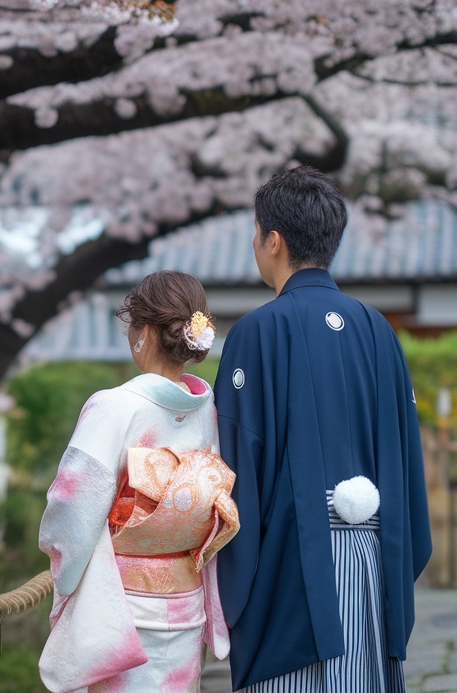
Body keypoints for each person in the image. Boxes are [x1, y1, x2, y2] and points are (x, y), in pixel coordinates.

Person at [214, 166, 432, 692]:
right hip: (376, 561)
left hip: (295, 565)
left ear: (273, 240)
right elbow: (406, 459)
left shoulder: (258, 331)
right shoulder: (379, 329)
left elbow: (232, 469)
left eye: (255, 234)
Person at [38, 270, 240, 693]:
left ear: (144, 332)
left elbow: (72, 508)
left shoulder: (113, 407)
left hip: (121, 606)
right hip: (185, 602)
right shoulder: (208, 411)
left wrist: (65, 578)